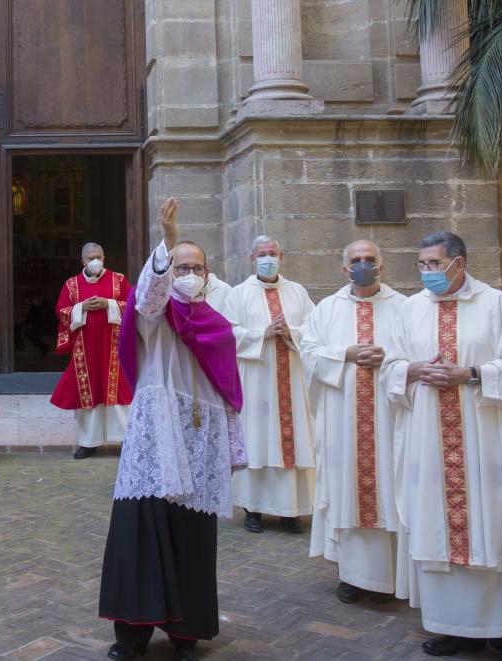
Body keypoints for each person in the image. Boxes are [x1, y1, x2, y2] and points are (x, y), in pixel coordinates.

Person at [98, 198, 246, 661]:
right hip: (156, 432)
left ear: (208, 274)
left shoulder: (219, 324)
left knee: (193, 536)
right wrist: (165, 242)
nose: (188, 273)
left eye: (195, 267)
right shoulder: (154, 319)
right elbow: (148, 296)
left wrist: (232, 445)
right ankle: (133, 636)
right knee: (140, 531)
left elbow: (227, 390)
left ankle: (187, 633)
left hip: (200, 435)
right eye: (181, 266)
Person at [383, 231, 502, 657]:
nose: (428, 272)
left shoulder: (495, 304)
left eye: (435, 264)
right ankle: (451, 625)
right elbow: (389, 369)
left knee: (493, 522)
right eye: (422, 265)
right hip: (429, 442)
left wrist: (468, 374)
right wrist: (411, 370)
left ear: (459, 263)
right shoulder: (411, 309)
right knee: (436, 525)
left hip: (483, 439)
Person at [300, 240, 407, 604]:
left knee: (391, 488)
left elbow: (418, 354)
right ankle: (351, 573)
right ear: (344, 269)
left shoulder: (405, 308)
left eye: (370, 260)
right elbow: (308, 353)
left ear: (382, 265)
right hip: (342, 421)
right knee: (346, 488)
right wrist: (345, 353)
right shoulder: (327, 308)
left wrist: (388, 358)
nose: (363, 265)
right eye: (356, 261)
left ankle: (396, 574)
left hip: (388, 418)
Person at [224, 235, 316, 533]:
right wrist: (262, 333)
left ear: (281, 256)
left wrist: (291, 332)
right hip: (256, 381)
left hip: (291, 376)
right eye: (262, 254)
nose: (267, 258)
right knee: (257, 441)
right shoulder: (238, 294)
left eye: (272, 253)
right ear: (252, 259)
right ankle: (254, 509)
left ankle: (291, 511)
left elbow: (315, 329)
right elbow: (227, 333)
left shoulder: (298, 292)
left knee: (293, 441)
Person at [50, 242, 134, 459]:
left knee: (118, 392)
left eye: (99, 257)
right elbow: (61, 310)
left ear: (104, 258)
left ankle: (124, 440)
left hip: (114, 348)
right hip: (84, 350)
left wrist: (109, 305)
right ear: (83, 261)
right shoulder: (71, 285)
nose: (95, 261)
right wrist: (81, 308)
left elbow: (132, 304)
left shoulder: (119, 280)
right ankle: (89, 442)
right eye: (90, 258)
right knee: (88, 394)